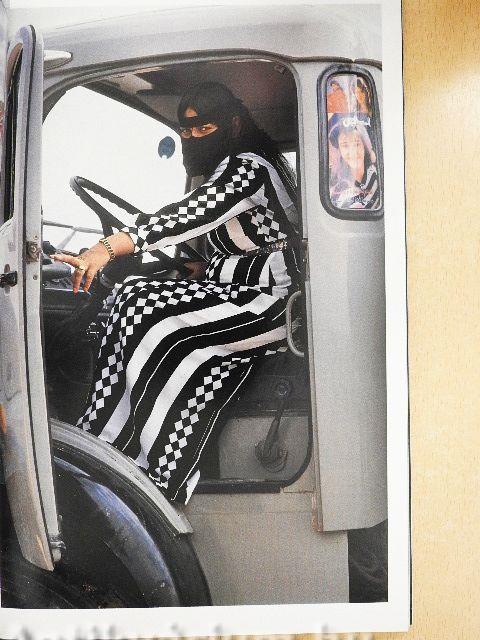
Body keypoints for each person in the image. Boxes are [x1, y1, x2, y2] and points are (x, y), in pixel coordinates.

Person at [52, 82, 300, 504]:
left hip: (274, 307)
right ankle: (107, 443)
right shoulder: (233, 165)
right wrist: (199, 268)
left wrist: (110, 247)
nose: (193, 138)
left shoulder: (249, 166)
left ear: (233, 125)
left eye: (204, 129)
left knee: (148, 313)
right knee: (134, 292)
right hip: (245, 292)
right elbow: (241, 247)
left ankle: (155, 472)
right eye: (186, 132)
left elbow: (192, 213)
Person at [328, 114, 380, 210]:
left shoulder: (379, 175)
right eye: (345, 145)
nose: (353, 152)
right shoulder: (336, 189)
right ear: (339, 150)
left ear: (364, 145)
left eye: (357, 143)